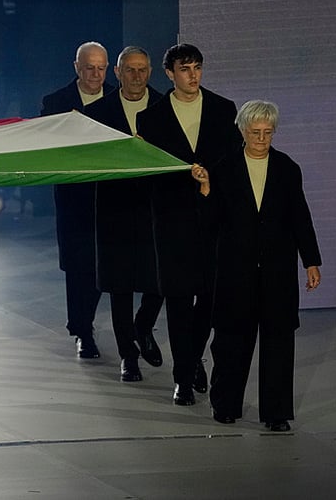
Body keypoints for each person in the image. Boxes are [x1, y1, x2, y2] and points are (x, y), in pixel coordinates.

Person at [191, 100, 322, 431]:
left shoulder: (288, 169)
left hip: (277, 270)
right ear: (242, 131)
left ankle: (276, 414)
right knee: (232, 339)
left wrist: (312, 261)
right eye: (255, 132)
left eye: (268, 132)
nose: (262, 139)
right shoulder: (224, 169)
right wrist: (206, 190)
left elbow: (300, 218)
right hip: (236, 270)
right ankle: (225, 404)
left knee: (278, 340)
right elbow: (210, 225)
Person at [136, 43, 242, 406]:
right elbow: (150, 177)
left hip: (214, 221)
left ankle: (193, 357)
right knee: (179, 301)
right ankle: (182, 377)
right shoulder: (151, 119)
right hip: (172, 222)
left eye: (197, 67)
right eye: (185, 68)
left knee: (210, 301)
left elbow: (233, 164)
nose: (193, 75)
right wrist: (186, 178)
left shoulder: (223, 109)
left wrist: (210, 183)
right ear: (170, 73)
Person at [84, 46, 164, 382]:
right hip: (114, 207)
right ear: (117, 73)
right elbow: (89, 159)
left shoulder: (164, 106)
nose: (136, 76)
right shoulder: (101, 112)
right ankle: (128, 357)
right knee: (119, 286)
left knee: (158, 279)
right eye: (129, 70)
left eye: (142, 69)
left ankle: (143, 326)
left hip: (155, 206)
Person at [40, 41, 115, 358]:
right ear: (76, 67)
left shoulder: (117, 97)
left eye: (101, 68)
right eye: (89, 68)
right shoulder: (56, 102)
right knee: (77, 265)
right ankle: (82, 330)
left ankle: (89, 325)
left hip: (110, 196)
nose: (95, 74)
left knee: (103, 266)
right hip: (73, 197)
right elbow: (45, 145)